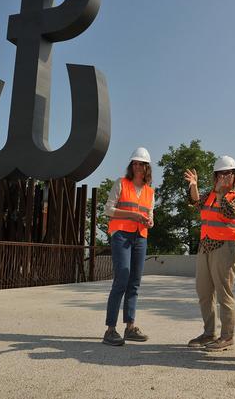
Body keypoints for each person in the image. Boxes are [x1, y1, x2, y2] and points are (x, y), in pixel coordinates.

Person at [184, 156, 235, 351]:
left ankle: (227, 336)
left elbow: (229, 212)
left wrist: (221, 194)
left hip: (227, 247)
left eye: (227, 173)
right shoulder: (210, 195)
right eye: (220, 173)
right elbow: (195, 202)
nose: (223, 177)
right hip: (206, 245)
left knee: (223, 292)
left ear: (234, 176)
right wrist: (193, 185)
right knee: (204, 292)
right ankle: (209, 333)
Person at [102, 147, 155, 346]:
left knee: (135, 282)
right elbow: (108, 209)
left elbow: (150, 215)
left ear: (147, 167)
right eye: (134, 163)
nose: (136, 166)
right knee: (122, 279)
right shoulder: (121, 183)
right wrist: (132, 215)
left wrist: (150, 221)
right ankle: (110, 330)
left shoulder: (150, 191)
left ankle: (130, 327)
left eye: (140, 163)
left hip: (140, 237)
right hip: (121, 235)